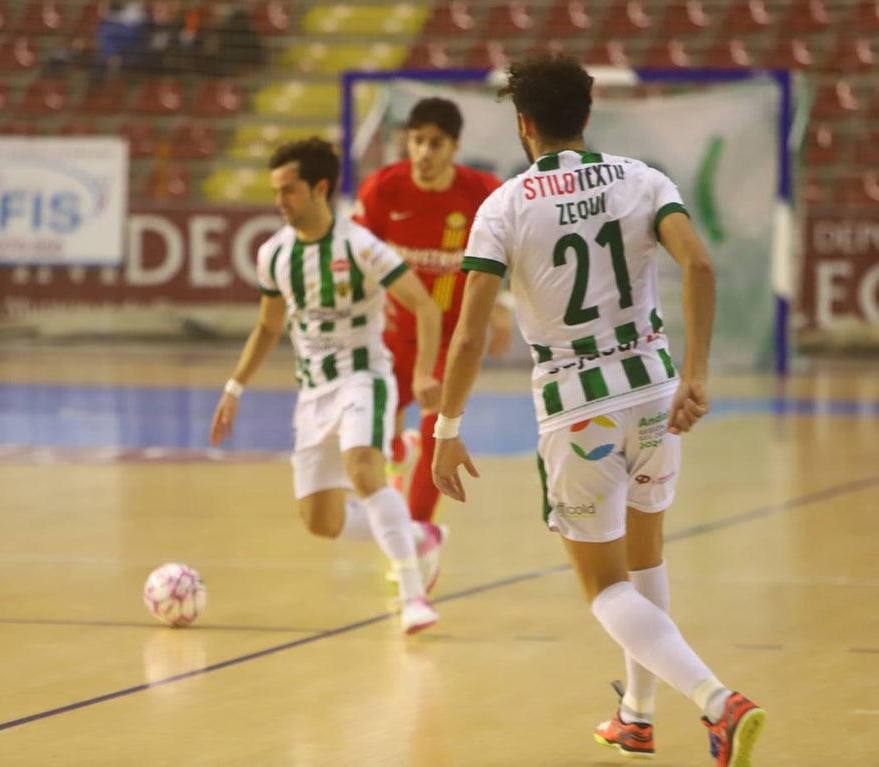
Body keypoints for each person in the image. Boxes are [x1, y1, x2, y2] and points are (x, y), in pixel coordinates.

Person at [430, 54, 766, 766]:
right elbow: (700, 267)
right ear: (588, 113)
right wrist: (696, 373)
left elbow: (467, 335)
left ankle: (717, 701)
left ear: (523, 125)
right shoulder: (642, 179)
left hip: (576, 405)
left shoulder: (503, 205)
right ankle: (636, 716)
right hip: (653, 391)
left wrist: (446, 430)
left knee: (604, 586)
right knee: (646, 561)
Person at [209, 137, 447, 634]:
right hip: (312, 393)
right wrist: (235, 387)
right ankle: (416, 535)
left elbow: (425, 305)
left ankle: (412, 597)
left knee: (362, 467)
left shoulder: (360, 245)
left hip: (364, 378)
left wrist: (424, 372)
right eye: (276, 191)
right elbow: (269, 327)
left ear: (319, 188)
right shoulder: (273, 254)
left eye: (289, 190)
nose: (279, 201)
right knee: (321, 522)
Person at [352, 97, 514, 525]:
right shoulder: (382, 189)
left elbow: (515, 252)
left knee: (436, 430)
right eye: (417, 141)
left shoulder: (483, 193)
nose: (424, 152)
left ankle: (418, 532)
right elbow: (357, 257)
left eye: (435, 143)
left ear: (454, 147)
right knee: (371, 435)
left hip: (450, 340)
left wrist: (503, 304)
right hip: (389, 336)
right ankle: (395, 450)